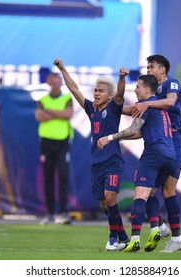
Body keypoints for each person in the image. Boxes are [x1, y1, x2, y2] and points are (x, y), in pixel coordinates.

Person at [54, 59, 129, 251]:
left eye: (101, 91)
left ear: (109, 95)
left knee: (110, 197)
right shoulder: (91, 109)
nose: (96, 93)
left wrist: (121, 78)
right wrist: (63, 69)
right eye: (95, 90)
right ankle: (123, 236)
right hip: (96, 162)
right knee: (104, 203)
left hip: (113, 160)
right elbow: (74, 90)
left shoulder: (114, 108)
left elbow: (120, 93)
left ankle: (113, 237)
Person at [98, 74, 176, 253]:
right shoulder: (157, 106)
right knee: (150, 194)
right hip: (170, 156)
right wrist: (111, 105)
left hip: (153, 153)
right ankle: (158, 228)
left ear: (147, 90)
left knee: (139, 195)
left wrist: (110, 137)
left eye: (138, 86)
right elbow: (138, 130)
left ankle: (134, 239)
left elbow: (134, 128)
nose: (135, 89)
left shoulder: (147, 105)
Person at [125, 54, 181, 253]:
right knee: (148, 190)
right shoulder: (152, 94)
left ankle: (176, 237)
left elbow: (170, 102)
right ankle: (161, 226)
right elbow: (137, 110)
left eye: (151, 67)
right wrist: (111, 107)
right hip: (160, 141)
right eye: (147, 67)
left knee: (168, 190)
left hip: (174, 141)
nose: (148, 70)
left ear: (163, 69)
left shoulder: (171, 85)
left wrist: (148, 104)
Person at [35, 72, 73, 225]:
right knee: (48, 178)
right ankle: (50, 213)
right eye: (53, 82)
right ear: (49, 83)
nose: (56, 85)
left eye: (58, 82)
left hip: (63, 142)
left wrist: (49, 111)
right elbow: (38, 116)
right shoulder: (42, 100)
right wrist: (58, 114)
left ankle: (63, 213)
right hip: (46, 143)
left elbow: (67, 114)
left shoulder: (67, 99)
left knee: (63, 176)